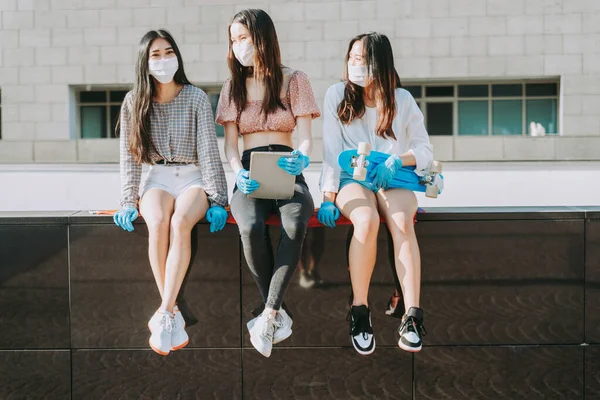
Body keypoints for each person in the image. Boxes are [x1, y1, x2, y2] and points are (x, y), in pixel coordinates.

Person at [113, 29, 229, 356]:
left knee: (181, 224)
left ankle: (165, 312)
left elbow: (208, 149)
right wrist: (127, 199)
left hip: (192, 175)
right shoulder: (134, 100)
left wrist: (218, 198)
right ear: (144, 62)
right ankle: (172, 311)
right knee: (159, 222)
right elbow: (129, 156)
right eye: (155, 55)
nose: (163, 60)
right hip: (157, 176)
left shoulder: (194, 97)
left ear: (176, 55)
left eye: (168, 52)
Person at [317, 32, 432, 355]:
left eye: (363, 60)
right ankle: (360, 310)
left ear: (380, 64)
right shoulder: (336, 95)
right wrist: (328, 198)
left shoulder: (402, 100)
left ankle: (411, 316)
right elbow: (330, 151)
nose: (356, 65)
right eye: (352, 58)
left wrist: (398, 159)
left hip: (393, 176)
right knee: (365, 221)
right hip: (351, 177)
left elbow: (424, 149)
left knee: (401, 221)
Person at [216, 9, 320, 358]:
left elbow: (305, 135)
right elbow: (230, 142)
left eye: (243, 37)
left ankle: (269, 313)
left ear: (263, 37)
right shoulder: (232, 85)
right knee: (249, 225)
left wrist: (302, 157)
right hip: (249, 168)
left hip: (288, 165)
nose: (238, 45)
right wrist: (236, 170)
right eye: (234, 39)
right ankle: (275, 312)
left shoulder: (295, 79)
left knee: (295, 220)